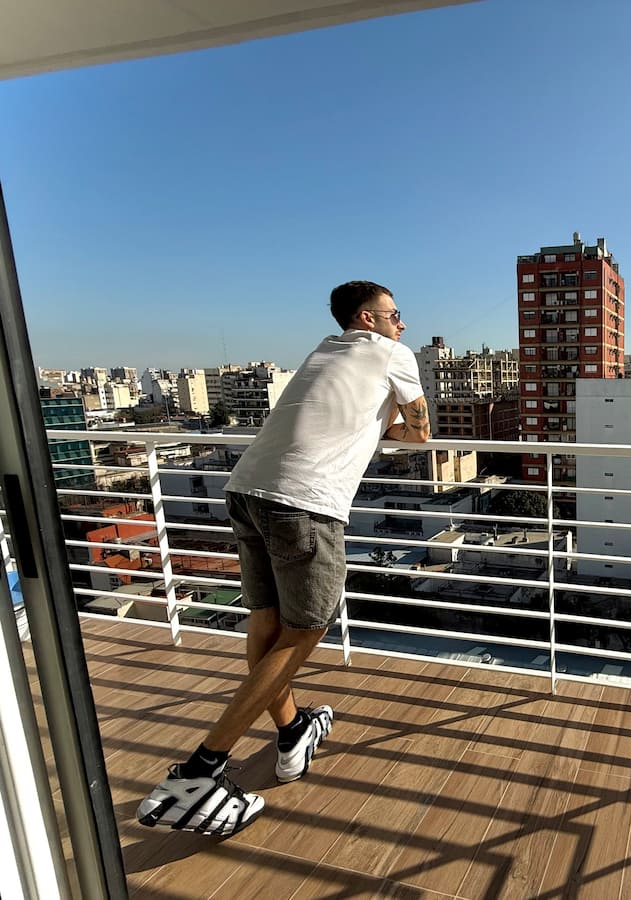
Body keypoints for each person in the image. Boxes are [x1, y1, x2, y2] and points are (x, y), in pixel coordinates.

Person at [137, 281, 429, 835]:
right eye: (395, 314)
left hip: (246, 490)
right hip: (304, 503)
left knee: (266, 622)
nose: (403, 324)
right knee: (303, 634)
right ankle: (199, 772)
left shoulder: (325, 349)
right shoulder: (391, 353)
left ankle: (293, 730)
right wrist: (397, 421)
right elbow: (419, 431)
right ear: (368, 318)